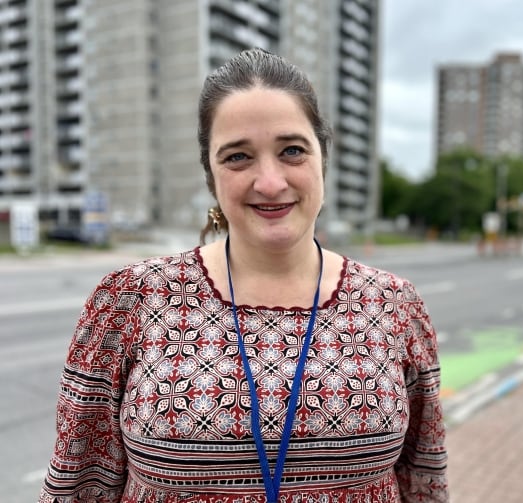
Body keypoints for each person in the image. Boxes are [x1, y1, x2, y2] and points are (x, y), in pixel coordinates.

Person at [39, 48, 448, 502]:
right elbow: (77, 490)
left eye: (292, 150)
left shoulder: (392, 304)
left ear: (323, 159)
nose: (270, 182)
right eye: (238, 157)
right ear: (211, 176)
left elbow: (424, 481)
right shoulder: (130, 301)